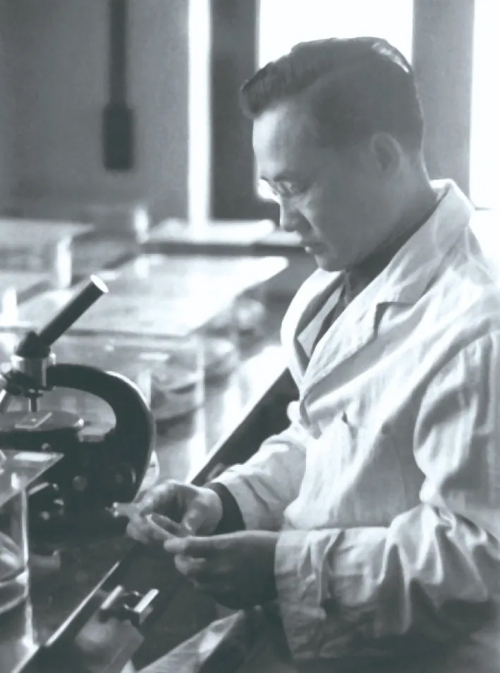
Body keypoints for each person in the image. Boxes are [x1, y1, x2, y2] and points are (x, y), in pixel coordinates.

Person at [127, 37, 500, 672]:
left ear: (383, 156)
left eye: (295, 187)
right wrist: (226, 501)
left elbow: (477, 562)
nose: (284, 219)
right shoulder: (346, 276)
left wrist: (283, 568)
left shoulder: (477, 328)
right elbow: (327, 438)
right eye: (273, 190)